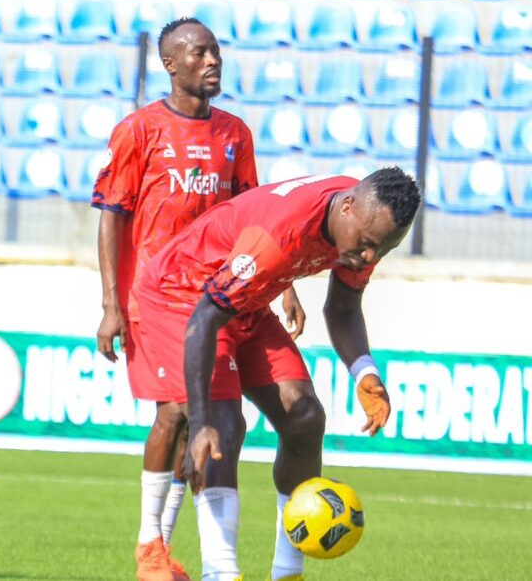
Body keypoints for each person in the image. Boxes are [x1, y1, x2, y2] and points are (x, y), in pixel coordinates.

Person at [93, 18, 305, 581]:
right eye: (199, 52)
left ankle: (167, 555)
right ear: (170, 64)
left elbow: (258, 217)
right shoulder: (139, 131)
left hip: (222, 296)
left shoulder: (235, 133)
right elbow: (112, 219)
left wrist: (284, 285)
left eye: (216, 51)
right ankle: (151, 548)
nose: (212, 60)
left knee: (214, 424)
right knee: (179, 411)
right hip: (160, 296)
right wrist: (111, 305)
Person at [135, 169, 420, 581]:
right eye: (367, 244)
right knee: (222, 427)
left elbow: (342, 307)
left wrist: (364, 372)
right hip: (185, 296)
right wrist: (200, 420)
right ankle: (219, 572)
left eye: (383, 249)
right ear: (347, 206)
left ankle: (287, 574)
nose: (369, 256)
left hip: (244, 301)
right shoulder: (279, 234)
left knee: (305, 418)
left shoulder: (364, 222)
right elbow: (205, 317)